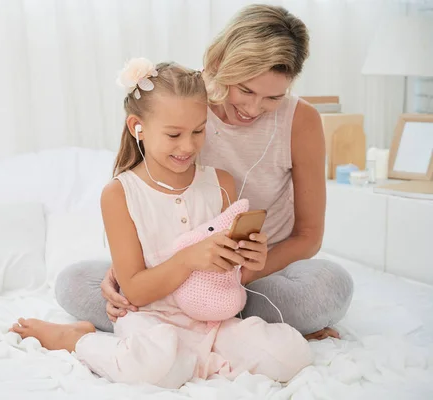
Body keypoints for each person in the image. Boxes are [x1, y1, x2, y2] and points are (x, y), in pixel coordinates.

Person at [55, 4, 353, 340]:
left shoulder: (301, 121)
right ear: (218, 64)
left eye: (273, 97)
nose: (254, 109)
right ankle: (227, 324)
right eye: (246, 90)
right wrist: (132, 272)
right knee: (75, 281)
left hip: (256, 273)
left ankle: (193, 319)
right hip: (174, 269)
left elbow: (308, 235)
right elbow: (148, 199)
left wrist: (232, 275)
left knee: (328, 286)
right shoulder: (185, 99)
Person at [11, 60, 312, 388]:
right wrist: (189, 258)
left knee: (291, 355)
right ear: (137, 127)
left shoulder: (221, 182)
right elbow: (136, 290)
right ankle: (77, 339)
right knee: (152, 368)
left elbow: (230, 270)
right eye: (174, 135)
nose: (188, 146)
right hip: (151, 320)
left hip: (214, 321)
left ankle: (197, 361)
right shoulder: (120, 194)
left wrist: (252, 259)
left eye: (198, 131)